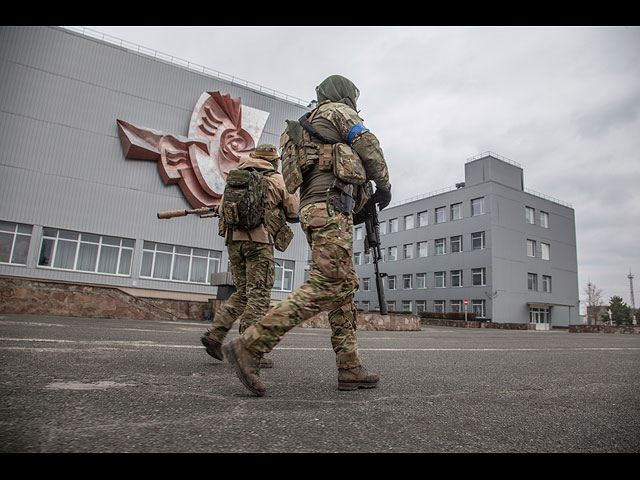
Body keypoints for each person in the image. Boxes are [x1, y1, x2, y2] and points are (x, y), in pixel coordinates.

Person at [222, 75, 391, 396]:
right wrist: (384, 186)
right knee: (328, 283)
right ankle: (250, 345)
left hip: (315, 209)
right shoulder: (337, 112)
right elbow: (369, 146)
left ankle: (350, 365)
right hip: (331, 205)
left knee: (343, 286)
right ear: (344, 96)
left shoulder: (299, 127)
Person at [201, 144, 299, 368]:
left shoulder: (236, 178)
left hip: (233, 241)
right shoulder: (276, 179)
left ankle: (215, 335)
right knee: (259, 296)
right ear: (275, 161)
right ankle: (249, 350)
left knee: (242, 293)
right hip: (259, 242)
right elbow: (294, 214)